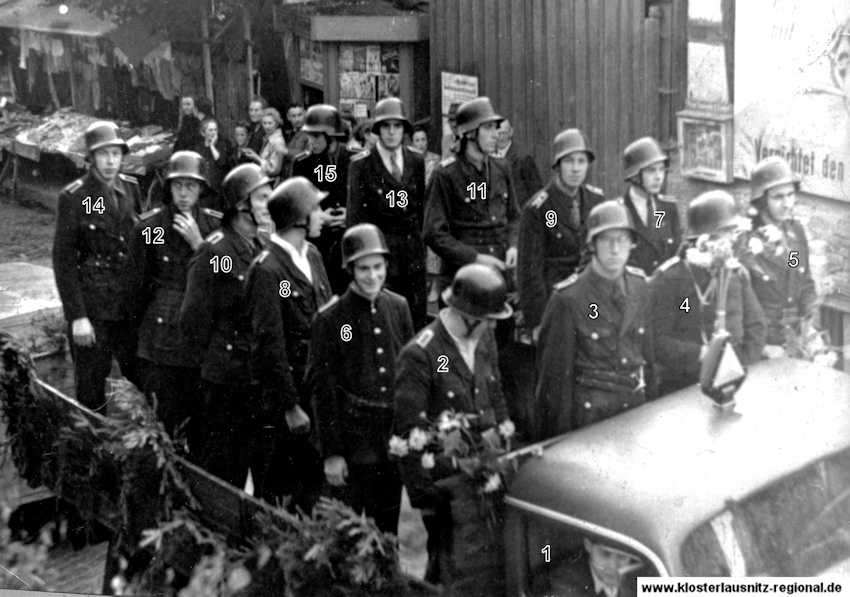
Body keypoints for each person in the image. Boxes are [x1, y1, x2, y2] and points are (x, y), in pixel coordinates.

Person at [394, 263, 515, 586]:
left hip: (485, 472)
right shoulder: (421, 354)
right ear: (465, 315)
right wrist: (428, 499)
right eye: (486, 321)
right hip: (447, 483)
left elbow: (495, 393)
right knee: (451, 570)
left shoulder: (484, 337)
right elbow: (409, 437)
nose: (491, 327)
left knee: (487, 565)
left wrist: (504, 439)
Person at [307, 224, 414, 534]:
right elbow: (323, 391)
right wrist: (333, 453)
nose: (372, 276)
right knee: (345, 536)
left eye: (378, 267)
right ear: (350, 269)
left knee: (386, 534)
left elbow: (407, 376)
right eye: (364, 268)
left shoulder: (398, 307)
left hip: (389, 447)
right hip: (352, 449)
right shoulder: (330, 319)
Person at [179, 164, 271, 490]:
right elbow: (192, 320)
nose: (270, 202)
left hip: (256, 379)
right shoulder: (217, 251)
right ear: (241, 206)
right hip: (226, 382)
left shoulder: (262, 247)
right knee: (224, 474)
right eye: (262, 197)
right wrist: (215, 359)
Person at [535, 201, 656, 440]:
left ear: (632, 244)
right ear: (592, 245)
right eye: (606, 240)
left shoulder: (640, 287)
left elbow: (648, 359)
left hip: (633, 411)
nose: (614, 249)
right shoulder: (569, 299)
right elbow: (554, 384)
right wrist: (558, 444)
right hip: (590, 420)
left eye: (621, 239)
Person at [246, 176, 329, 508]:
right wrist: (290, 405)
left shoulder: (314, 257)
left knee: (314, 487)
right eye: (317, 209)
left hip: (317, 389)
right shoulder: (267, 271)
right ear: (299, 218)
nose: (322, 215)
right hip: (288, 401)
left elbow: (329, 318)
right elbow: (269, 344)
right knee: (280, 491)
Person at [130, 151, 221, 454]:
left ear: (201, 190)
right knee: (161, 422)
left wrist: (201, 245)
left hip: (202, 340)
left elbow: (227, 276)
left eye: (191, 186)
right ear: (168, 187)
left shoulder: (213, 229)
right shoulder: (154, 227)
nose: (184, 194)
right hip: (161, 338)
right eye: (178, 185)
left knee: (204, 427)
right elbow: (139, 284)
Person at [53, 121, 143, 409]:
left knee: (142, 375)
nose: (110, 161)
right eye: (103, 154)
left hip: (127, 306)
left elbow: (141, 237)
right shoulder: (75, 197)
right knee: (92, 388)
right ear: (90, 158)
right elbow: (64, 260)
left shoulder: (130, 188)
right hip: (93, 309)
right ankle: (93, 450)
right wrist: (77, 316)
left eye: (115, 154)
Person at [649, 191, 767, 397]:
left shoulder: (736, 272)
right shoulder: (671, 278)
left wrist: (739, 364)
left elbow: (756, 327)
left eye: (734, 231)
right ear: (704, 236)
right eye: (726, 231)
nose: (732, 239)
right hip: (684, 386)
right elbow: (656, 342)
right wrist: (703, 355)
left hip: (734, 380)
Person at [347, 97, 429, 329]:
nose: (392, 132)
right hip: (380, 258)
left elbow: (421, 209)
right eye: (386, 126)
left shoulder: (416, 160)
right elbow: (355, 220)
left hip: (413, 259)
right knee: (384, 326)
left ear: (404, 129)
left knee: (415, 324)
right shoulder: (361, 165)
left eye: (397, 126)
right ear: (377, 130)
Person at [423, 96, 521, 290]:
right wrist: (474, 258)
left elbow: (514, 217)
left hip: (501, 274)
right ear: (469, 134)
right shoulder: (446, 175)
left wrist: (513, 246)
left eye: (496, 127)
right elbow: (433, 232)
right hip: (463, 279)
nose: (496, 134)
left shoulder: (501, 168)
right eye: (488, 128)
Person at [518, 128, 605, 334]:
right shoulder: (538, 208)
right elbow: (529, 273)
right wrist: (538, 322)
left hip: (590, 302)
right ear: (557, 166)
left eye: (581, 161)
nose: (576, 169)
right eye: (569, 161)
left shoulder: (596, 201)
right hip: (554, 305)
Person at [745, 157, 818, 357]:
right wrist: (762, 348)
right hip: (762, 345)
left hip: (792, 339)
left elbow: (805, 285)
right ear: (762, 201)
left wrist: (808, 326)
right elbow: (737, 304)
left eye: (790, 195)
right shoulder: (746, 239)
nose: (787, 204)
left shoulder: (795, 232)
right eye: (778, 197)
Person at [292, 104, 354, 294]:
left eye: (316, 136)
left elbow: (368, 200)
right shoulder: (302, 164)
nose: (311, 141)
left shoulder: (355, 160)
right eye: (309, 136)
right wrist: (317, 216)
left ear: (331, 136)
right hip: (319, 243)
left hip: (350, 241)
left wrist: (350, 215)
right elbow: (296, 203)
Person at [615, 137, 682, 275]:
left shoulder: (667, 208)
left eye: (662, 170)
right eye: (651, 170)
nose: (658, 177)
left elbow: (676, 257)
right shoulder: (618, 211)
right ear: (635, 176)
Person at [494, 118, 543, 207]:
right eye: (498, 133)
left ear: (511, 132)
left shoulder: (523, 158)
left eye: (504, 133)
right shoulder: (488, 156)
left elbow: (536, 191)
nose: (501, 138)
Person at [194, 118, 233, 209]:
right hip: (203, 190)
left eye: (215, 130)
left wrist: (212, 146)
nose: (214, 132)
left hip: (217, 191)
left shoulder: (221, 145)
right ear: (203, 133)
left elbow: (221, 162)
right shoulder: (198, 147)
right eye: (210, 130)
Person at [243, 107, 288, 181]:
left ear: (276, 124)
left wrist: (256, 158)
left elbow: (274, 170)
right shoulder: (268, 137)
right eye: (264, 123)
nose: (267, 126)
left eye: (270, 123)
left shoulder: (277, 141)